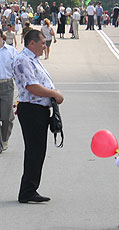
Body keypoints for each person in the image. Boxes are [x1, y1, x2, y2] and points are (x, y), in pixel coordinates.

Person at [13, 29, 64, 203]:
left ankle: (30, 188)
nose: (45, 46)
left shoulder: (33, 60)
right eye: (42, 43)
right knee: (34, 151)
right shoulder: (23, 60)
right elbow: (32, 86)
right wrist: (54, 94)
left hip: (39, 110)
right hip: (31, 109)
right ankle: (27, 191)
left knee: (38, 151)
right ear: (31, 43)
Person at [0, 29, 18, 154]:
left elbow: (19, 70)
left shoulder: (11, 51)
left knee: (6, 117)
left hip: (7, 85)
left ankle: (4, 139)